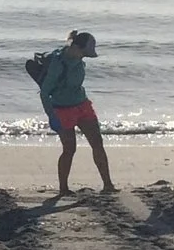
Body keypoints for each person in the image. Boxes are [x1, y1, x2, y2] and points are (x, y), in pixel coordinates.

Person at [30, 29, 115, 194]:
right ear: (76, 47)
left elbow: (70, 44)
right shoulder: (57, 64)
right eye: (84, 53)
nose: (84, 56)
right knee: (70, 149)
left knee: (97, 143)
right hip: (62, 109)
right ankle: (63, 188)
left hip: (82, 105)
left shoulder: (77, 56)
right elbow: (45, 93)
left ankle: (108, 185)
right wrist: (52, 116)